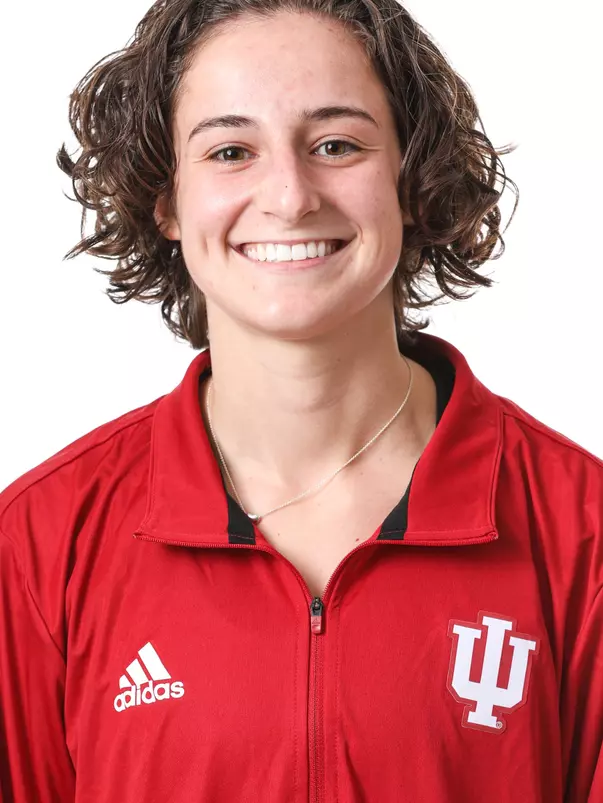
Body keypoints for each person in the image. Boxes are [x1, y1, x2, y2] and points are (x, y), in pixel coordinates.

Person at [0, 0, 600, 800]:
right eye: (230, 150)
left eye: (335, 144)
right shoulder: (40, 541)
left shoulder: (581, 532)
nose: (289, 195)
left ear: (411, 181)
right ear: (167, 200)